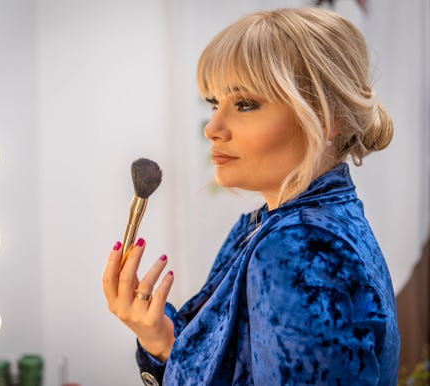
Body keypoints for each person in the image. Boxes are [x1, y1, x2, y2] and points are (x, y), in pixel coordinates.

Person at [102, 7, 400, 386]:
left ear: (325, 117)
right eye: (214, 104)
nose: (212, 128)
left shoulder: (300, 248)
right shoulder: (284, 226)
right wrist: (161, 340)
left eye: (244, 104)